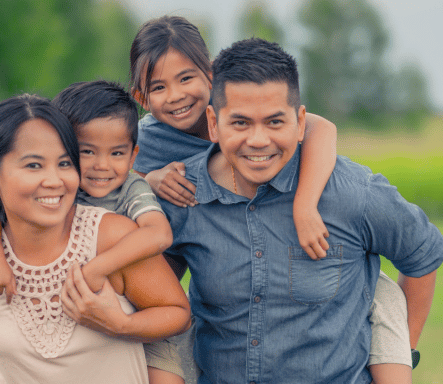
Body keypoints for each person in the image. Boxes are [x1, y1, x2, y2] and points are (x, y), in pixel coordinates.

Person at [157, 37, 443, 383]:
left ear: (300, 120)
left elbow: (422, 255)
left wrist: (402, 353)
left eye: (275, 122)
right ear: (213, 123)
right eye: (240, 123)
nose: (259, 140)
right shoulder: (181, 197)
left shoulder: (352, 194)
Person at [0, 94, 191, 384]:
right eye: (33, 166)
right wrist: (10, 349)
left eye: (65, 163)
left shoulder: (115, 237)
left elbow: (176, 312)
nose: (54, 180)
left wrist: (119, 325)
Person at [129, 16, 336, 260]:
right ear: (142, 99)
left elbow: (321, 128)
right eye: (158, 88)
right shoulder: (147, 139)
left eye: (185, 79)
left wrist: (305, 206)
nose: (175, 96)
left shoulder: (231, 106)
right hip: (209, 235)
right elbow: (124, 189)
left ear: (210, 74)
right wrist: (150, 180)